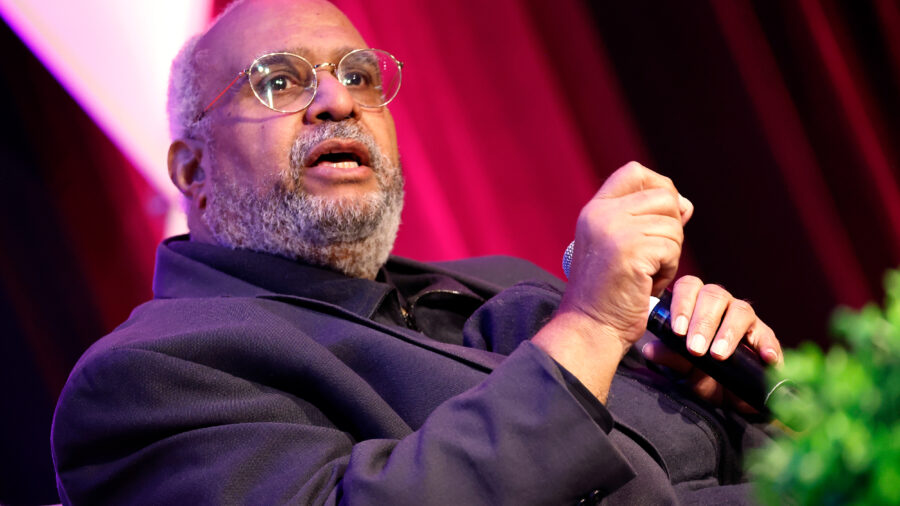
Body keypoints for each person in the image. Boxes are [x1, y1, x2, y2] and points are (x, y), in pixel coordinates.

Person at [50, 0, 784, 504]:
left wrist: (738, 403)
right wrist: (590, 330)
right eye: (279, 81)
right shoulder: (146, 380)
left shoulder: (506, 285)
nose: (338, 102)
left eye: (359, 76)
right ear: (192, 171)